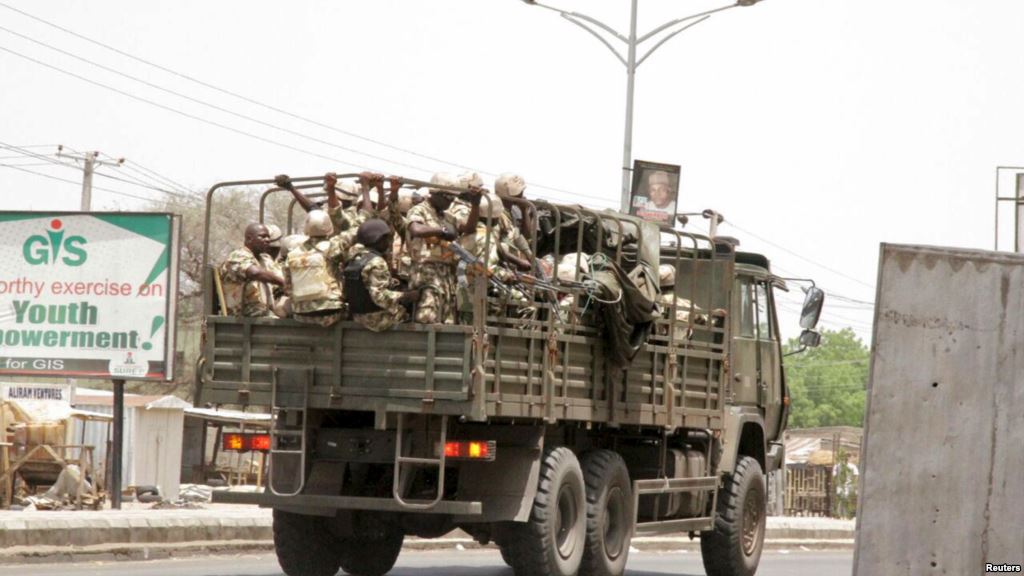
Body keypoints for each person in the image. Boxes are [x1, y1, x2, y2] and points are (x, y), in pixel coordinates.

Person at [276, 175, 355, 326]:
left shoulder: (293, 254)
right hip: (331, 314)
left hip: (301, 316)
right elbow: (353, 230)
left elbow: (288, 287)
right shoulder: (334, 246)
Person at [405, 172, 482, 324]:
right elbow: (416, 229)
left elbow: (469, 229)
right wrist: (443, 232)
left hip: (446, 272)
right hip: (425, 271)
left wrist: (475, 205)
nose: (451, 201)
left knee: (447, 319)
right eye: (448, 197)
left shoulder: (447, 216)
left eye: (453, 198)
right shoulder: (420, 209)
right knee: (428, 317)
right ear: (435, 193)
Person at [344, 219, 420, 332]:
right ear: (378, 239)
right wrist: (406, 296)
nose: (388, 243)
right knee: (412, 314)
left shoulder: (354, 257)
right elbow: (379, 297)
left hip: (357, 316)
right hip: (376, 320)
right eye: (386, 239)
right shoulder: (376, 262)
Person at [219, 223, 285, 318]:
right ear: (249, 239)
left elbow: (279, 275)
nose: (267, 240)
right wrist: (282, 283)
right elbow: (255, 272)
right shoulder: (237, 256)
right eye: (262, 236)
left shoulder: (264, 259)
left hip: (264, 311)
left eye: (268, 237)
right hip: (244, 314)